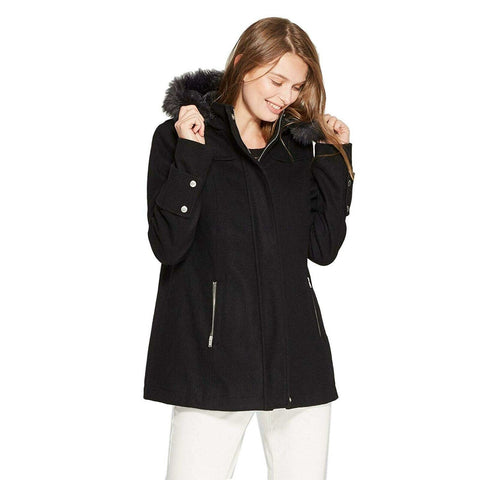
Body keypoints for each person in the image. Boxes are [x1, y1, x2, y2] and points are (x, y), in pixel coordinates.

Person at [144, 16, 355, 480]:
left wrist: (334, 157)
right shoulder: (180, 137)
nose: (286, 97)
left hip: (297, 359)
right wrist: (192, 154)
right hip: (213, 358)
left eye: (296, 86)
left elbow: (323, 247)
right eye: (277, 81)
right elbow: (168, 244)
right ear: (243, 62)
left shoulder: (296, 149)